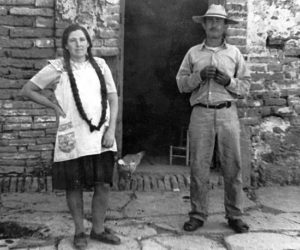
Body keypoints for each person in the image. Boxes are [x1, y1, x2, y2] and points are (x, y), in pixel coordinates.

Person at [21, 24, 121, 249]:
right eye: (73, 40)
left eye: (82, 40)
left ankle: (98, 230)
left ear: (88, 43)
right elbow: (27, 90)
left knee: (103, 184)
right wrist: (53, 106)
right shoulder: (57, 68)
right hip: (72, 136)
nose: (78, 44)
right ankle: (79, 232)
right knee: (73, 185)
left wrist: (111, 129)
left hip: (100, 134)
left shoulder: (101, 65)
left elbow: (113, 99)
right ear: (66, 45)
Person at [176, 4, 250, 233]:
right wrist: (199, 76)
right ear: (204, 25)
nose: (214, 25)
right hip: (201, 112)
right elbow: (181, 83)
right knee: (198, 165)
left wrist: (228, 81)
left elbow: (246, 87)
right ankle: (198, 215)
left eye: (219, 21)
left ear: (225, 26)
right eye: (210, 21)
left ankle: (235, 215)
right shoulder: (193, 53)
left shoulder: (235, 53)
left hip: (228, 112)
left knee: (233, 165)